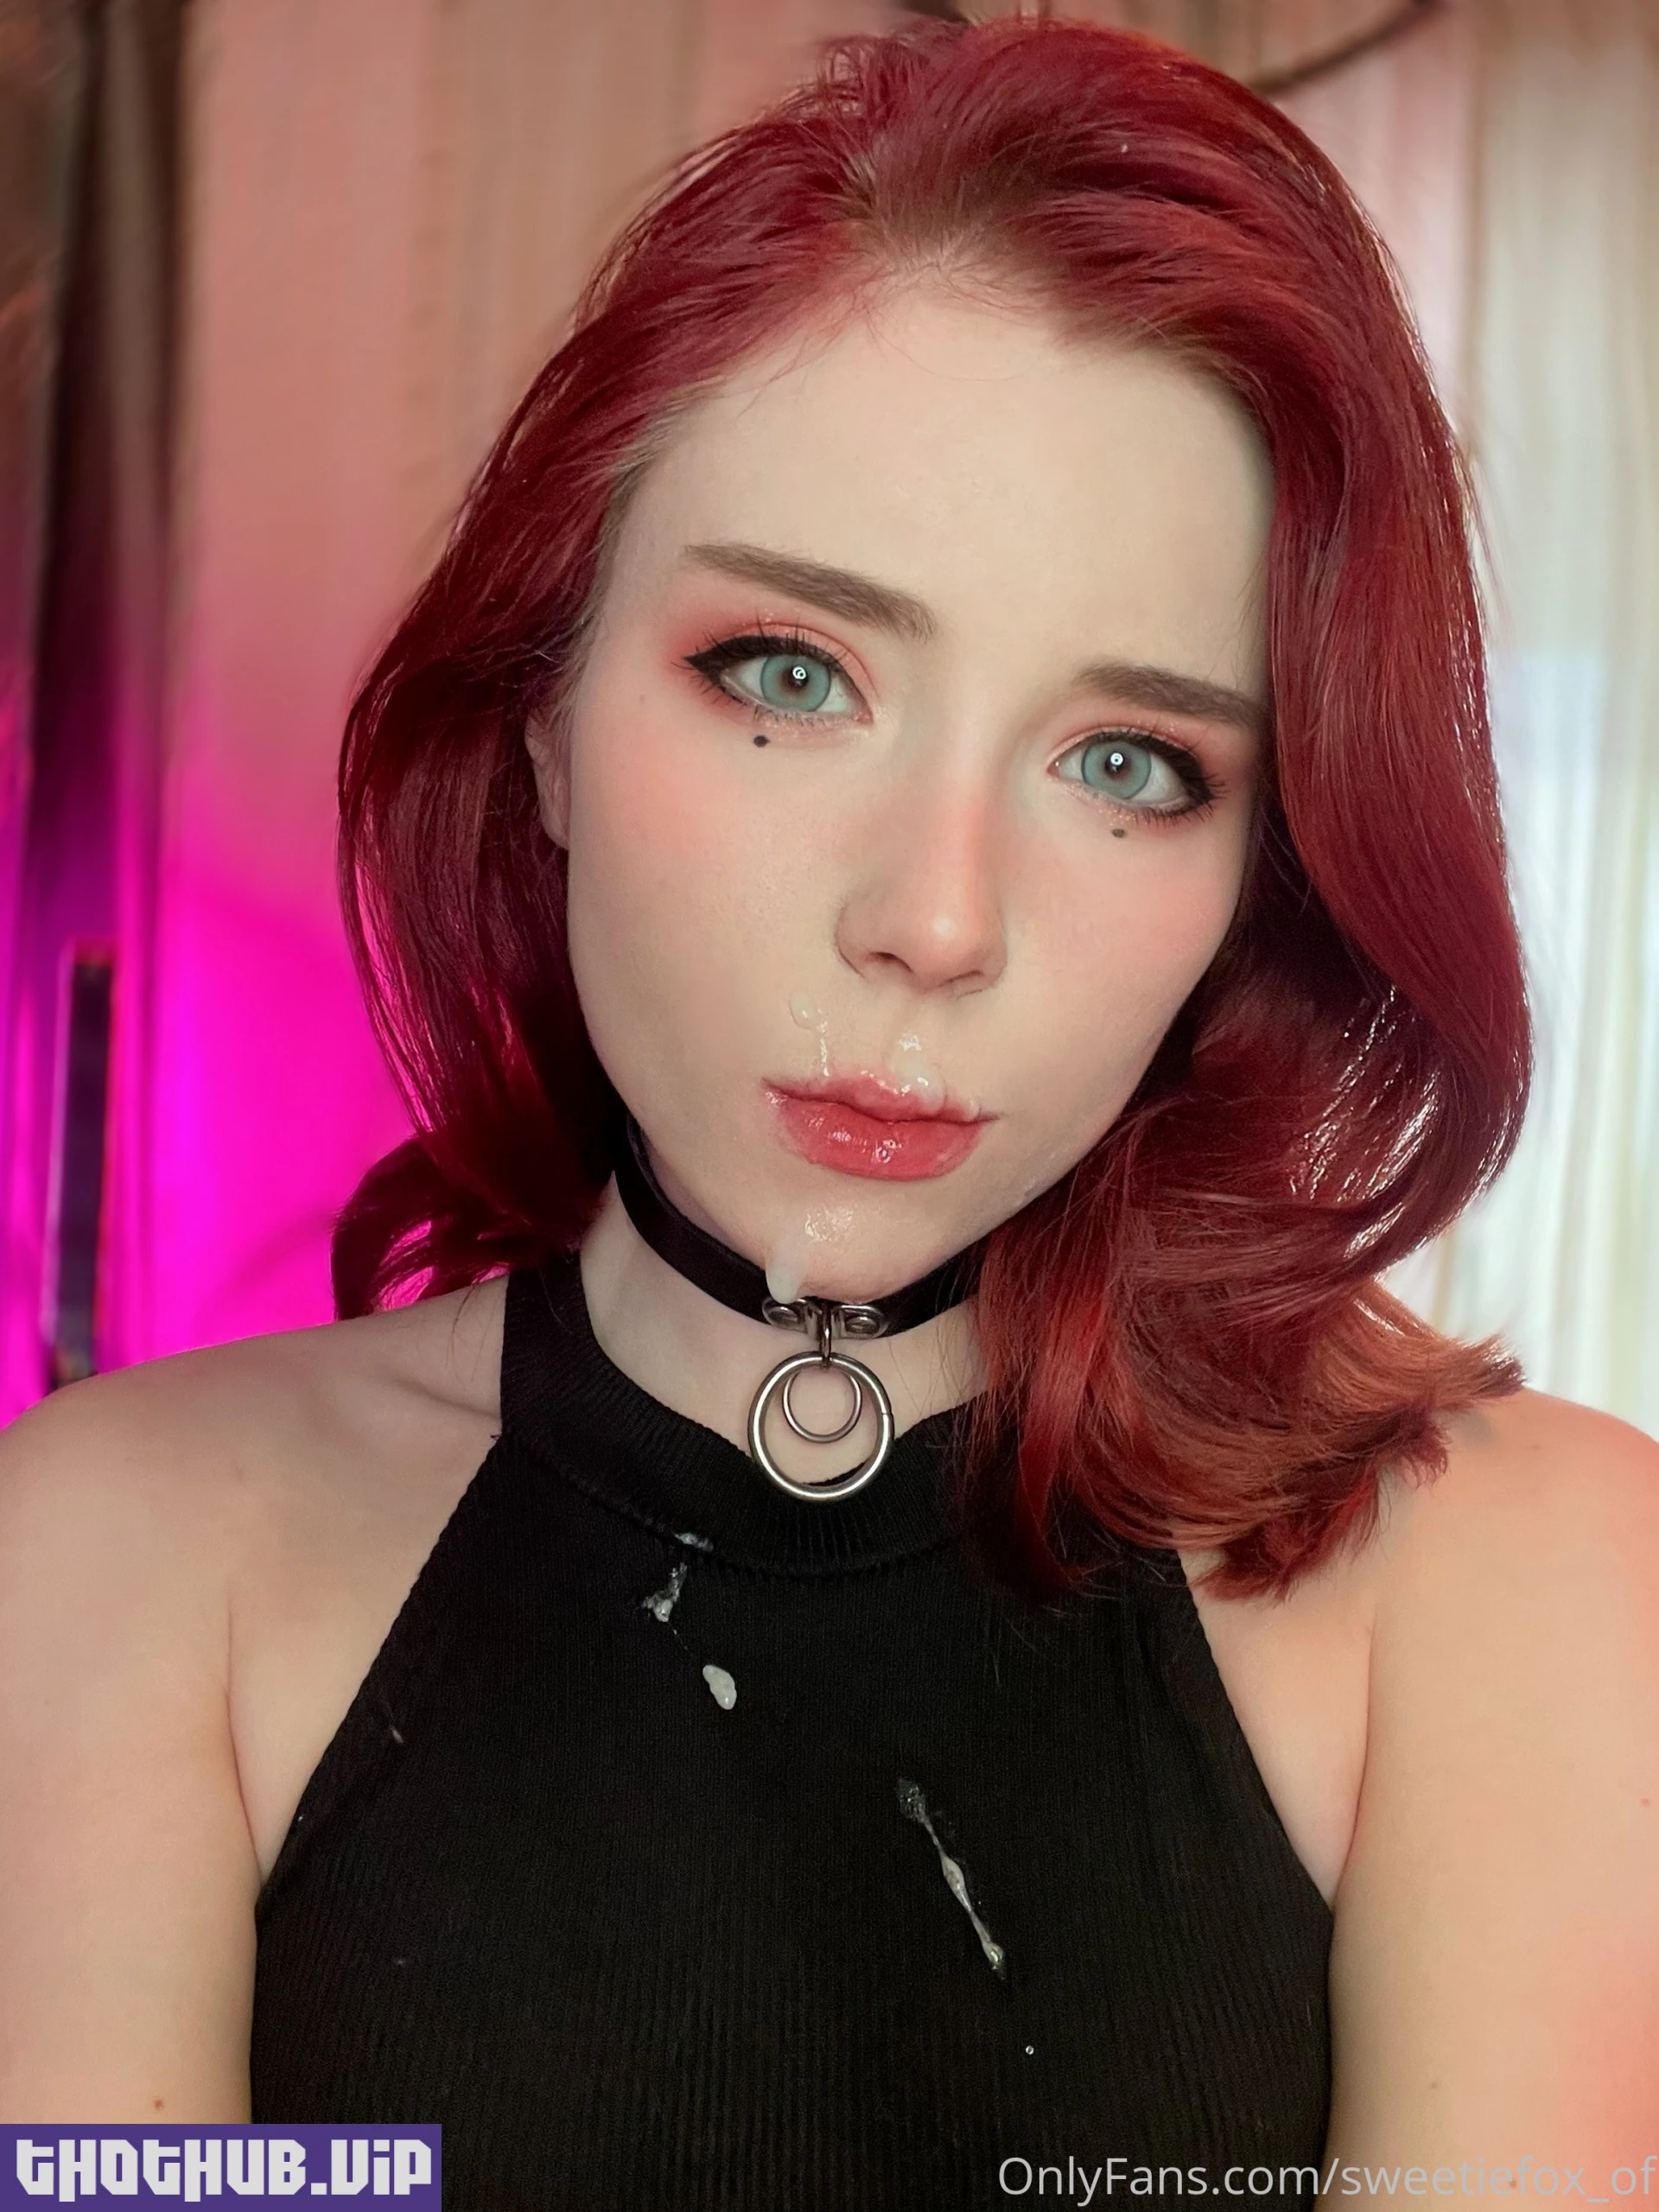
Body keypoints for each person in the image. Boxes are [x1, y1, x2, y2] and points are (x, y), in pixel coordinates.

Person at [1, 14, 1654, 2207]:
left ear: (1259, 873)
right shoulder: (112, 1558)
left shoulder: (1522, 1582)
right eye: (790, 671)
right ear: (545, 716)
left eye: (1130, 763)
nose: (935, 920)